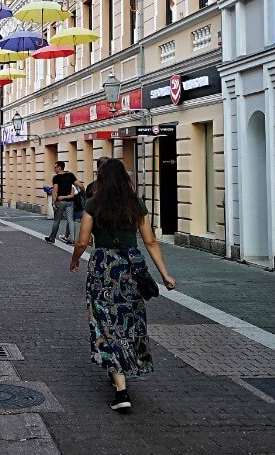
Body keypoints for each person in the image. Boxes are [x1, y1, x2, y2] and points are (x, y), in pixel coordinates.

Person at [69, 158, 176, 413]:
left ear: (102, 178)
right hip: (130, 269)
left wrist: (74, 260)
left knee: (104, 322)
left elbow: (83, 241)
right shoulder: (136, 204)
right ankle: (127, 368)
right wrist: (165, 274)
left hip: (103, 267)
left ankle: (121, 388)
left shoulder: (93, 204)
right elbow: (150, 242)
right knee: (129, 320)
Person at [45, 161, 84, 245]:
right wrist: (83, 192)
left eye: (55, 167)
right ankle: (73, 240)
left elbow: (55, 191)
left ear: (60, 167)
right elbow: (80, 185)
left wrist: (53, 203)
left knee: (57, 220)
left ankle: (52, 238)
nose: (54, 169)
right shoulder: (70, 175)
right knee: (70, 220)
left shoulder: (56, 178)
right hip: (70, 202)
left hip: (60, 202)